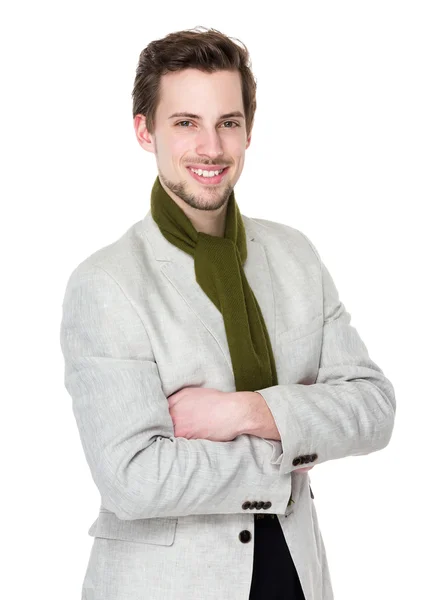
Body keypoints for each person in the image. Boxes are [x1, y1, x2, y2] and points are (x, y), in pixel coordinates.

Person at [60, 26, 396, 600]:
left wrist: (245, 411)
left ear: (247, 131)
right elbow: (134, 480)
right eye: (186, 123)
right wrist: (286, 454)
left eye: (228, 123)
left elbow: (373, 407)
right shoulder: (106, 284)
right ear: (146, 131)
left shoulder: (295, 255)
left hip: (295, 575)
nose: (211, 148)